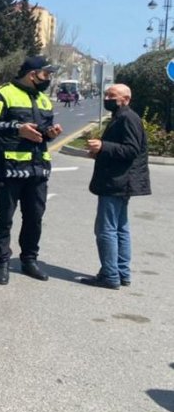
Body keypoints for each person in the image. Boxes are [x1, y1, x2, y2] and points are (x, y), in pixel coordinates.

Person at [0, 56, 63, 285]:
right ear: (32, 74)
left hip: (37, 170)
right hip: (9, 169)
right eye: (46, 74)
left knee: (34, 219)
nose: (48, 79)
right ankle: (2, 263)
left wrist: (51, 132)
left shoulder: (44, 99)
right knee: (4, 218)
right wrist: (18, 129)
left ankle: (29, 260)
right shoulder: (2, 93)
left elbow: (42, 131)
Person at [81, 84, 151, 289]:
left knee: (106, 230)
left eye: (112, 96)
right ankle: (121, 273)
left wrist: (104, 146)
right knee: (120, 229)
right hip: (119, 180)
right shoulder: (121, 116)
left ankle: (110, 275)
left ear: (126, 99)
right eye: (106, 95)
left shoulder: (128, 118)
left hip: (118, 181)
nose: (107, 98)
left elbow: (131, 150)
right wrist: (100, 151)